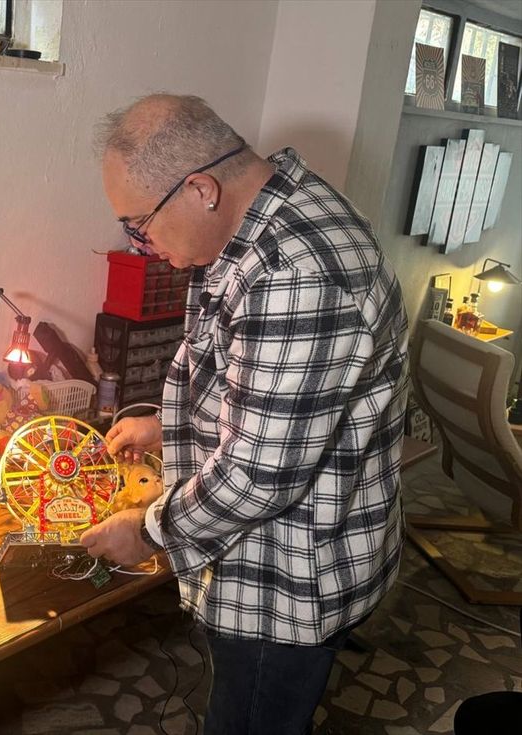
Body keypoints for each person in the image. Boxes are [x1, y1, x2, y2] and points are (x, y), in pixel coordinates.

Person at [80, 94, 409, 734]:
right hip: (274, 551)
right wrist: (167, 425)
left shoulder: (296, 272)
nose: (144, 246)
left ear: (201, 189)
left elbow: (259, 476)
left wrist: (146, 531)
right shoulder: (266, 214)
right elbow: (256, 377)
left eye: (140, 226)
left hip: (286, 580)